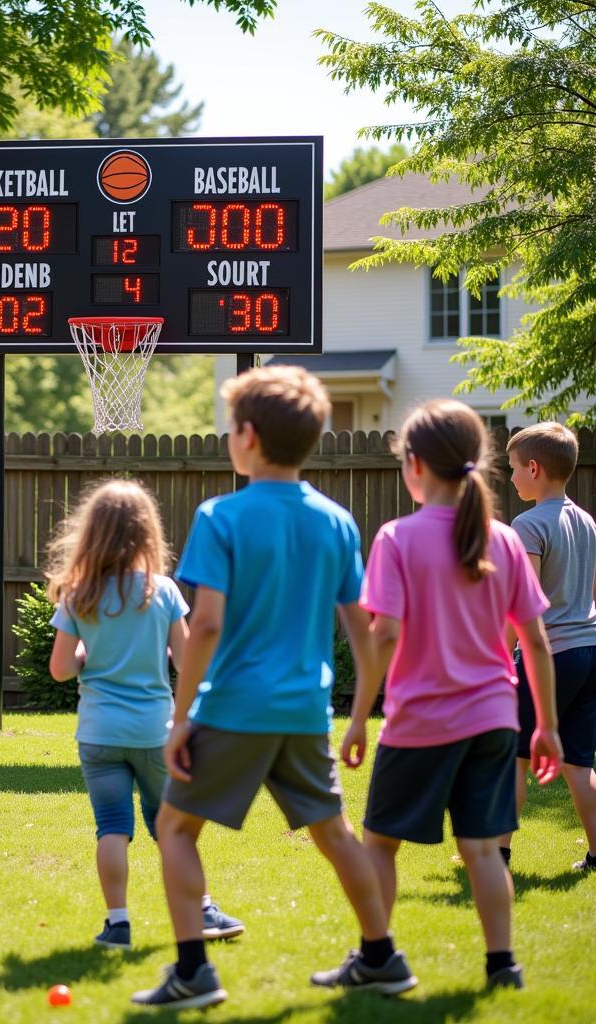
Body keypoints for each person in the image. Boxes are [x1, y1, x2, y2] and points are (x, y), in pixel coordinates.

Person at [132, 366, 416, 1010]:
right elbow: (364, 631)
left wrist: (180, 720)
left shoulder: (220, 516)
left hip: (233, 706)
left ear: (249, 437)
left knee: (175, 829)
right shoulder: (337, 521)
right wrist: (359, 716)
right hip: (304, 712)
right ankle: (381, 955)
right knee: (335, 833)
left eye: (231, 428)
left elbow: (204, 625)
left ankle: (193, 973)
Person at [342, 399, 563, 992]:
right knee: (483, 850)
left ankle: (375, 957)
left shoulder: (397, 538)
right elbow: (535, 643)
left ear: (414, 465)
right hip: (495, 721)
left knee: (380, 843)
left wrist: (359, 718)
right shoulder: (505, 541)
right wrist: (546, 726)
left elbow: (383, 634)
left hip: (422, 723)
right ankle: (502, 967)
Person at [47, 479, 244, 951]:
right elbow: (183, 657)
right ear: (146, 533)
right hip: (154, 733)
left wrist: (83, 653)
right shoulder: (164, 591)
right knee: (171, 828)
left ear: (91, 533)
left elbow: (59, 669)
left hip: (98, 733)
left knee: (112, 826)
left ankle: (118, 924)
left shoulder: (79, 594)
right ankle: (204, 910)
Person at [500, 422, 596, 872]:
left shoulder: (527, 524)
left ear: (534, 468)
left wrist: (503, 655)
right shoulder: (587, 520)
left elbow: (525, 602)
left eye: (513, 467)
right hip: (593, 654)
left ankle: (497, 856)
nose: (511, 475)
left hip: (551, 656)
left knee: (512, 758)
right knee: (579, 762)